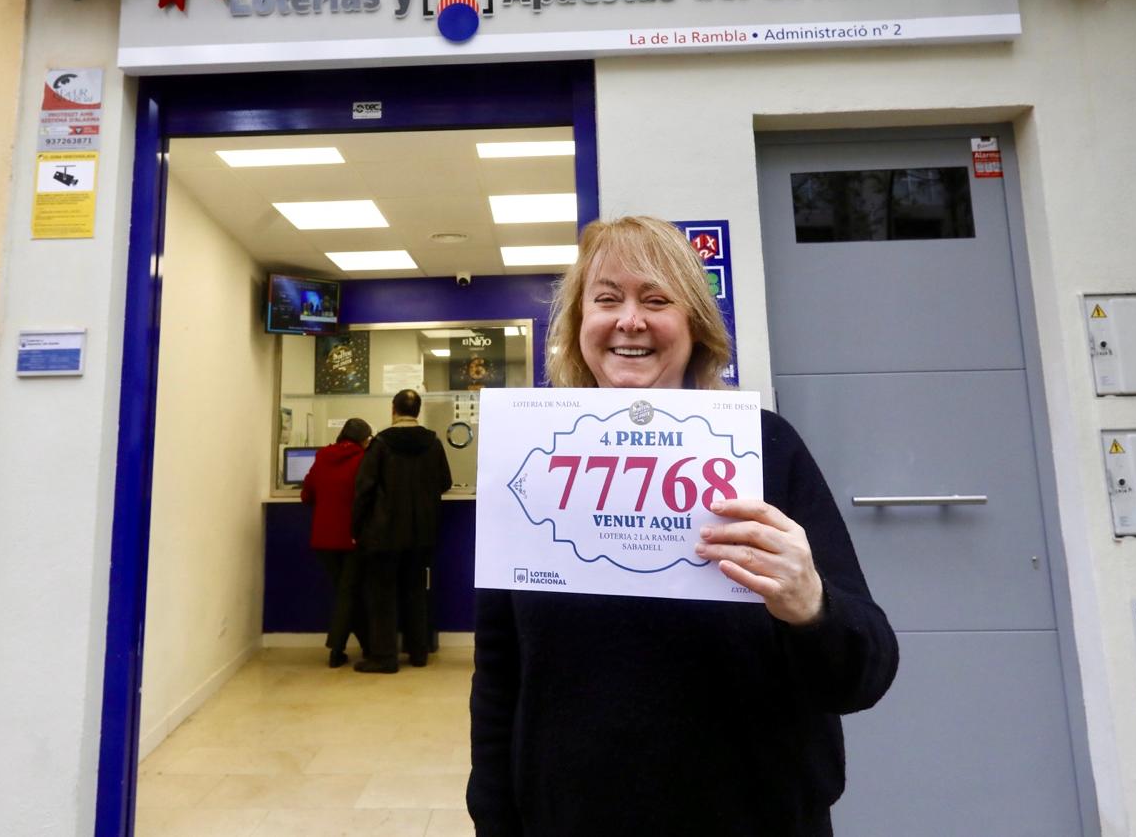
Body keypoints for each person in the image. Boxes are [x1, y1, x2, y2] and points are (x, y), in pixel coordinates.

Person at [467, 215, 898, 836]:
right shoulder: (528, 461)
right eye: (606, 299)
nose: (629, 321)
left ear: (695, 325)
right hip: (574, 816)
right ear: (578, 325)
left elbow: (865, 674)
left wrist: (814, 607)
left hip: (757, 815)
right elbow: (500, 666)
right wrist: (495, 816)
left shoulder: (766, 451)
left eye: (656, 299)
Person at [351, 388, 453, 673]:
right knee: (416, 590)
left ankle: (384, 657)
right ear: (418, 411)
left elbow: (364, 489)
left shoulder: (380, 444)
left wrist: (357, 527)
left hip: (385, 533)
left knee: (382, 594)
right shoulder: (432, 443)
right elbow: (445, 481)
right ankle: (418, 652)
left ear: (393, 410)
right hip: (422, 532)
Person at [300, 417, 373, 668]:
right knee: (349, 594)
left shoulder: (322, 457)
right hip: (352, 538)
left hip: (323, 539)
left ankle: (366, 645)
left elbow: (307, 493)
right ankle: (336, 649)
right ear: (364, 440)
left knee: (346, 593)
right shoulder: (364, 460)